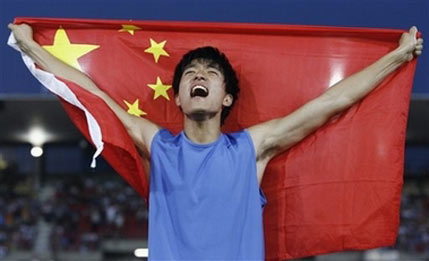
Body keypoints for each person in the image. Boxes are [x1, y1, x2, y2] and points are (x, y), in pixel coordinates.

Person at [8, 23, 423, 260]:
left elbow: (332, 102)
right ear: (178, 97)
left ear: (226, 98)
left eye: (209, 72)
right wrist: (30, 46)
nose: (198, 76)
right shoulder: (159, 146)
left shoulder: (251, 148)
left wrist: (397, 56)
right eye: (189, 74)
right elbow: (91, 95)